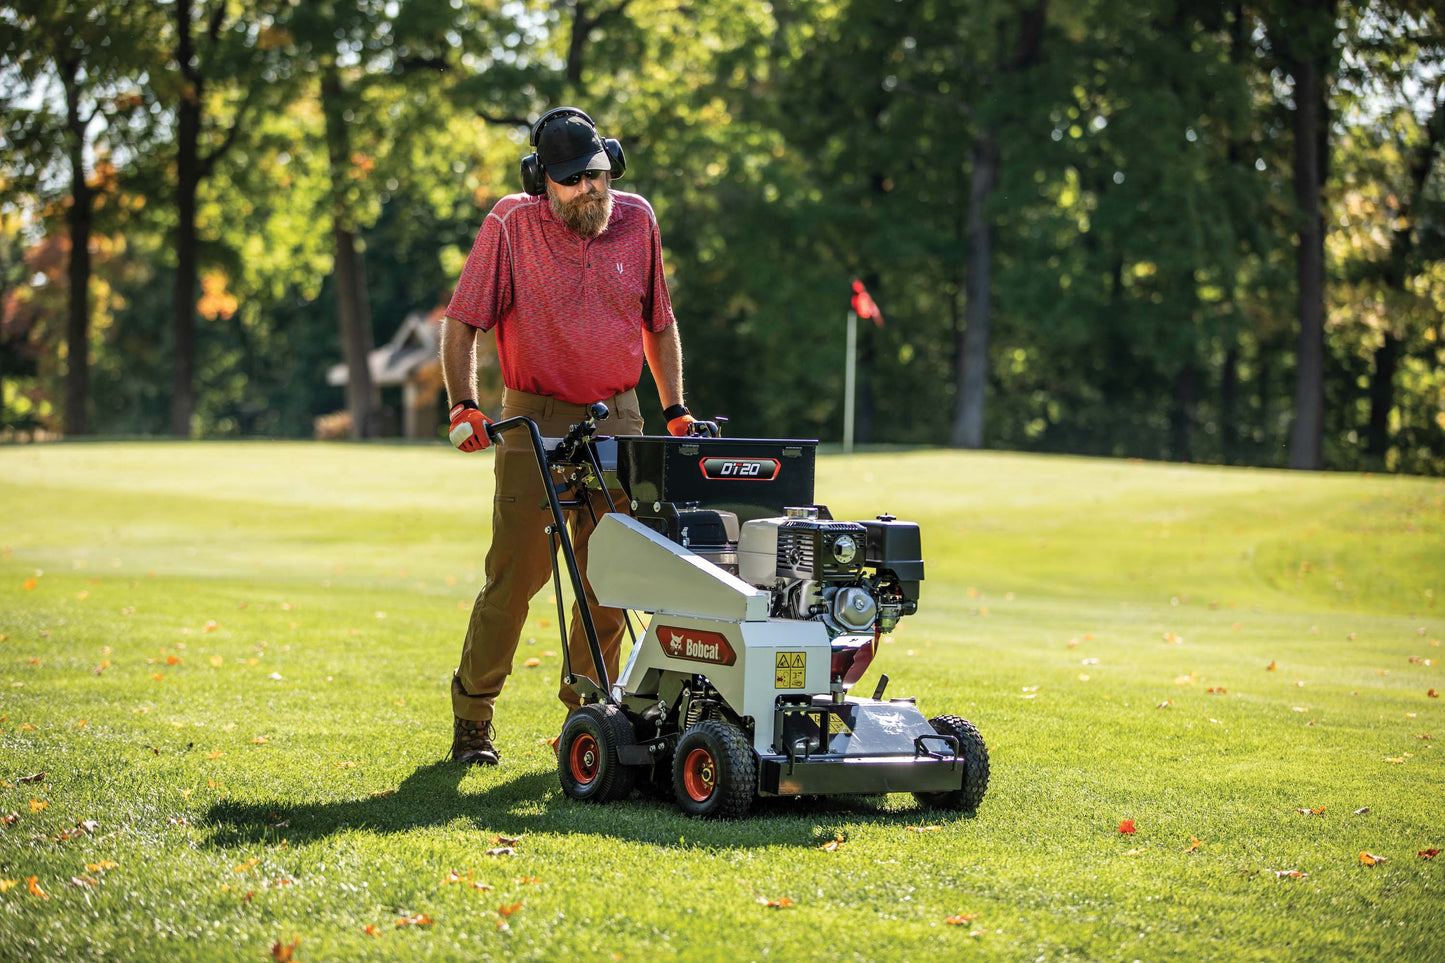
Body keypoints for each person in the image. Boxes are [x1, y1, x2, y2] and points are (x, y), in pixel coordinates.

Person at [441, 107, 703, 766]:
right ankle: (473, 716)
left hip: (619, 418)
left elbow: (659, 322)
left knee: (609, 580)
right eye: (572, 179)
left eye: (597, 173)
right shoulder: (510, 223)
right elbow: (462, 321)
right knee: (514, 579)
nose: (590, 188)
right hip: (534, 419)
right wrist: (463, 405)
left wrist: (674, 408)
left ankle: (589, 720)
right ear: (541, 181)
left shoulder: (638, 219)